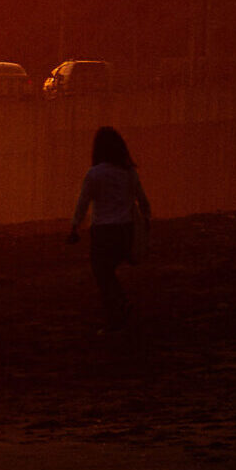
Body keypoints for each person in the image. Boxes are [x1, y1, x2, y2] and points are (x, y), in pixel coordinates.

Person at [68, 126, 150, 332]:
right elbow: (142, 200)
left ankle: (118, 310)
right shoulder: (128, 172)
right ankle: (120, 308)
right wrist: (145, 224)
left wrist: (75, 226)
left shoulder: (94, 174)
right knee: (109, 272)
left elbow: (83, 202)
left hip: (103, 231)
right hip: (126, 230)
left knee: (103, 274)